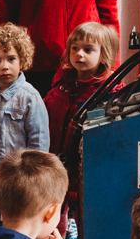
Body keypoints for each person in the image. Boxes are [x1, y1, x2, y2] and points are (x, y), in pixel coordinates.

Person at [0, 22, 50, 223]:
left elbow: (39, 143)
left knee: (15, 225)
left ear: (22, 60)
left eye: (11, 59)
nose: (5, 66)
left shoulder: (30, 97)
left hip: (17, 178)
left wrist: (33, 178)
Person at [44, 21, 119, 159]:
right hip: (55, 159)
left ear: (103, 55)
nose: (79, 54)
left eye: (88, 49)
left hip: (87, 163)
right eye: (74, 48)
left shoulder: (110, 91)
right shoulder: (62, 83)